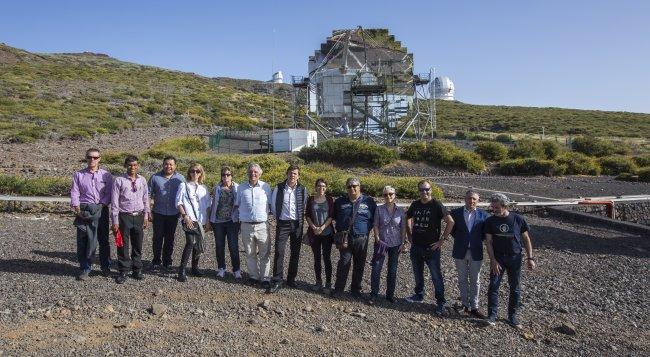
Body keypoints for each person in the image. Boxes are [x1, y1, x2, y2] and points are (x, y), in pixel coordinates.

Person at [484, 193, 536, 328]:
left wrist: (530, 258)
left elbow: (526, 239)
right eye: (492, 207)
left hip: (515, 257)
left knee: (515, 288)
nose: (494, 209)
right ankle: (492, 315)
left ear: (504, 206)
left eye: (497, 207)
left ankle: (512, 316)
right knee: (494, 286)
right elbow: (488, 242)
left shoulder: (518, 219)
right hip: (498, 257)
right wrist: (493, 260)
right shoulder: (490, 221)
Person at [405, 180, 454, 316]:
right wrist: (409, 234)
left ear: (431, 190)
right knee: (417, 273)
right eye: (421, 190)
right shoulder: (415, 204)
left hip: (431, 248)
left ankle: (440, 301)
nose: (424, 192)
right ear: (418, 191)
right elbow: (407, 217)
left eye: (426, 189)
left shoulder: (437, 205)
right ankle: (419, 295)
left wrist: (441, 241)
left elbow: (450, 221)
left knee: (436, 276)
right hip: (416, 246)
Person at [70, 148, 113, 280]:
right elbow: (74, 192)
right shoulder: (79, 175)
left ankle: (105, 267)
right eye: (89, 157)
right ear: (86, 158)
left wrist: (102, 205)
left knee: (103, 240)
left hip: (101, 209)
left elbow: (110, 192)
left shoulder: (106, 175)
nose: (92, 160)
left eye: (95, 157)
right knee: (84, 240)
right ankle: (85, 268)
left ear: (99, 159)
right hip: (84, 210)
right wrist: (77, 209)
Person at [330, 177, 377, 299]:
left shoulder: (369, 201)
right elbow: (334, 217)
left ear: (359, 187)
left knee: (359, 264)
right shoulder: (340, 201)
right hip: (345, 238)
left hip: (362, 238)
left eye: (354, 186)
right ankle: (339, 289)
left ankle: (355, 290)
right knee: (344, 263)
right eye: (349, 186)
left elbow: (374, 220)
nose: (352, 188)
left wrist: (366, 230)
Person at [267, 165, 308, 293]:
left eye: (295, 173)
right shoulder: (279, 188)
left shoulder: (303, 189)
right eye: (290, 173)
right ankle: (277, 280)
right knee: (279, 251)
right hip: (283, 223)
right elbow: (273, 205)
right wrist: (279, 218)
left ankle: (291, 279)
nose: (292, 175)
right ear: (287, 174)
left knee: (295, 253)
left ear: (298, 175)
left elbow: (304, 204)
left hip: (297, 224)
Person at [111, 155, 150, 284]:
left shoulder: (142, 180)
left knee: (137, 244)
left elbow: (146, 199)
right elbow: (115, 202)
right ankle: (123, 270)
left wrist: (146, 215)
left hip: (138, 215)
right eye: (129, 165)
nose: (132, 167)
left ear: (138, 166)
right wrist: (115, 220)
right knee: (122, 244)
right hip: (123, 216)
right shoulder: (119, 180)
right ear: (125, 165)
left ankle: (137, 269)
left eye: (134, 165)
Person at [449, 190, 489, 318]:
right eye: (469, 198)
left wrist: (474, 240)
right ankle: (465, 304)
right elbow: (452, 231)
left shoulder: (484, 216)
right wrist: (463, 239)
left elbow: (484, 234)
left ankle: (475, 307)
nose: (471, 201)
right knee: (462, 279)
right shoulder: (456, 213)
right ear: (464, 199)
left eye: (474, 199)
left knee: (475, 280)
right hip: (460, 250)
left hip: (476, 251)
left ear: (478, 200)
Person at [235, 163, 272, 288]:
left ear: (260, 173)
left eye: (256, 172)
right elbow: (237, 205)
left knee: (264, 253)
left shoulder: (266, 187)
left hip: (262, 225)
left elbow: (271, 205)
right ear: (247, 173)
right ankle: (253, 276)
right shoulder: (241, 188)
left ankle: (265, 277)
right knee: (250, 252)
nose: (253, 174)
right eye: (251, 171)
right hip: (246, 226)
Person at [369, 186, 406, 304]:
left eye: (390, 194)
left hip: (395, 244)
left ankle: (390, 295)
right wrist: (377, 238)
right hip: (382, 243)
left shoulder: (401, 211)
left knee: (392, 271)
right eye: (385, 194)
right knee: (376, 269)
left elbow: (403, 227)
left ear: (394, 195)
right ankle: (374, 294)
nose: (388, 196)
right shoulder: (379, 209)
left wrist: (403, 242)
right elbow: (375, 225)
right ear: (383, 196)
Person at [175, 163, 212, 282]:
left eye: (197, 171)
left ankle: (194, 267)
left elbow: (207, 206)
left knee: (198, 244)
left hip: (201, 221)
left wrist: (208, 221)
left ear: (201, 173)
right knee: (190, 242)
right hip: (189, 219)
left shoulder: (204, 188)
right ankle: (182, 269)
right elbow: (179, 202)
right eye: (192, 171)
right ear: (189, 172)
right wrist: (185, 216)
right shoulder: (183, 185)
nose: (195, 173)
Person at [148, 156, 185, 271]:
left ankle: (167, 261)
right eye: (166, 164)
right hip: (158, 212)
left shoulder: (180, 178)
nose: (168, 166)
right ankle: (156, 260)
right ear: (163, 165)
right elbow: (148, 194)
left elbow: (184, 196)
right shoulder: (155, 177)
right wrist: (148, 210)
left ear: (175, 166)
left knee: (170, 238)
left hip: (173, 214)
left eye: (171, 164)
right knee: (157, 238)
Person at [209, 166, 241, 279]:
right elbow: (212, 205)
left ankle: (236, 270)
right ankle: (221, 268)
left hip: (232, 222)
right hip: (218, 222)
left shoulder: (237, 188)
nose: (225, 177)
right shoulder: (217, 188)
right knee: (219, 246)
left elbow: (240, 204)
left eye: (228, 174)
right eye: (223, 175)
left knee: (233, 246)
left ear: (232, 176)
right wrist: (209, 221)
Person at [304, 178, 335, 293]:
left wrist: (322, 227)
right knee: (317, 258)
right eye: (319, 186)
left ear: (325, 188)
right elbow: (307, 215)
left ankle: (328, 283)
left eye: (323, 186)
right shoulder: (311, 199)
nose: (321, 188)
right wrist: (314, 227)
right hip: (314, 233)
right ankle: (318, 282)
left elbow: (331, 216)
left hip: (326, 233)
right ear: (315, 187)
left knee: (327, 258)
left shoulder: (329, 199)